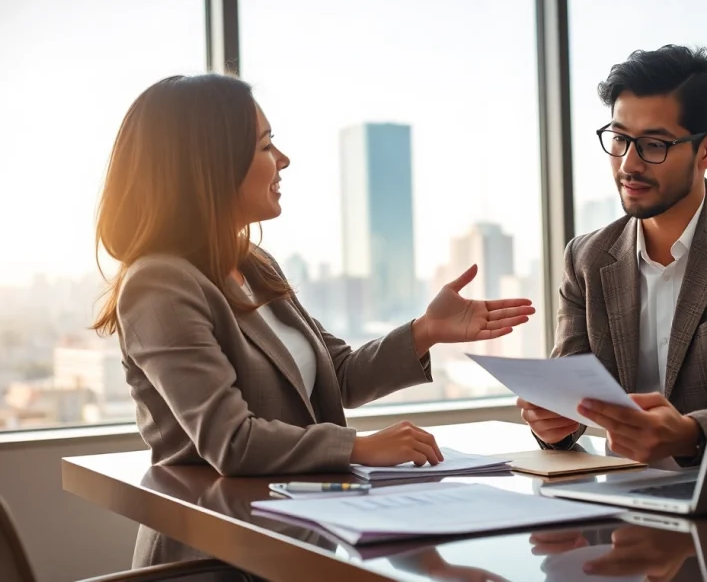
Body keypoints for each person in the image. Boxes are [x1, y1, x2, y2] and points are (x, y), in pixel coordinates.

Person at [92, 74, 535, 477]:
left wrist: (426, 330)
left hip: (294, 527)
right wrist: (359, 447)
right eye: (265, 146)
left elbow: (338, 377)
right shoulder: (160, 286)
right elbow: (232, 441)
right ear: (211, 165)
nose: (282, 160)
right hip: (219, 550)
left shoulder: (255, 264)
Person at [518, 45, 707, 466]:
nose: (628, 165)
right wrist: (554, 425)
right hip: (621, 506)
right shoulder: (586, 258)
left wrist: (692, 434)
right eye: (619, 139)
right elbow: (571, 398)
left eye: (653, 144)